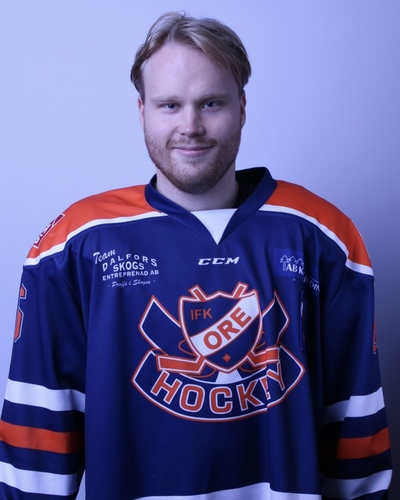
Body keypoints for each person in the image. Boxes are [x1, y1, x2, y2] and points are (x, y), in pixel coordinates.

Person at [0, 11, 392, 499]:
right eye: (169, 105)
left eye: (211, 103)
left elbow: (355, 427)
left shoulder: (323, 236)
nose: (190, 126)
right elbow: (38, 440)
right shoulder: (72, 245)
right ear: (141, 110)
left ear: (242, 107)